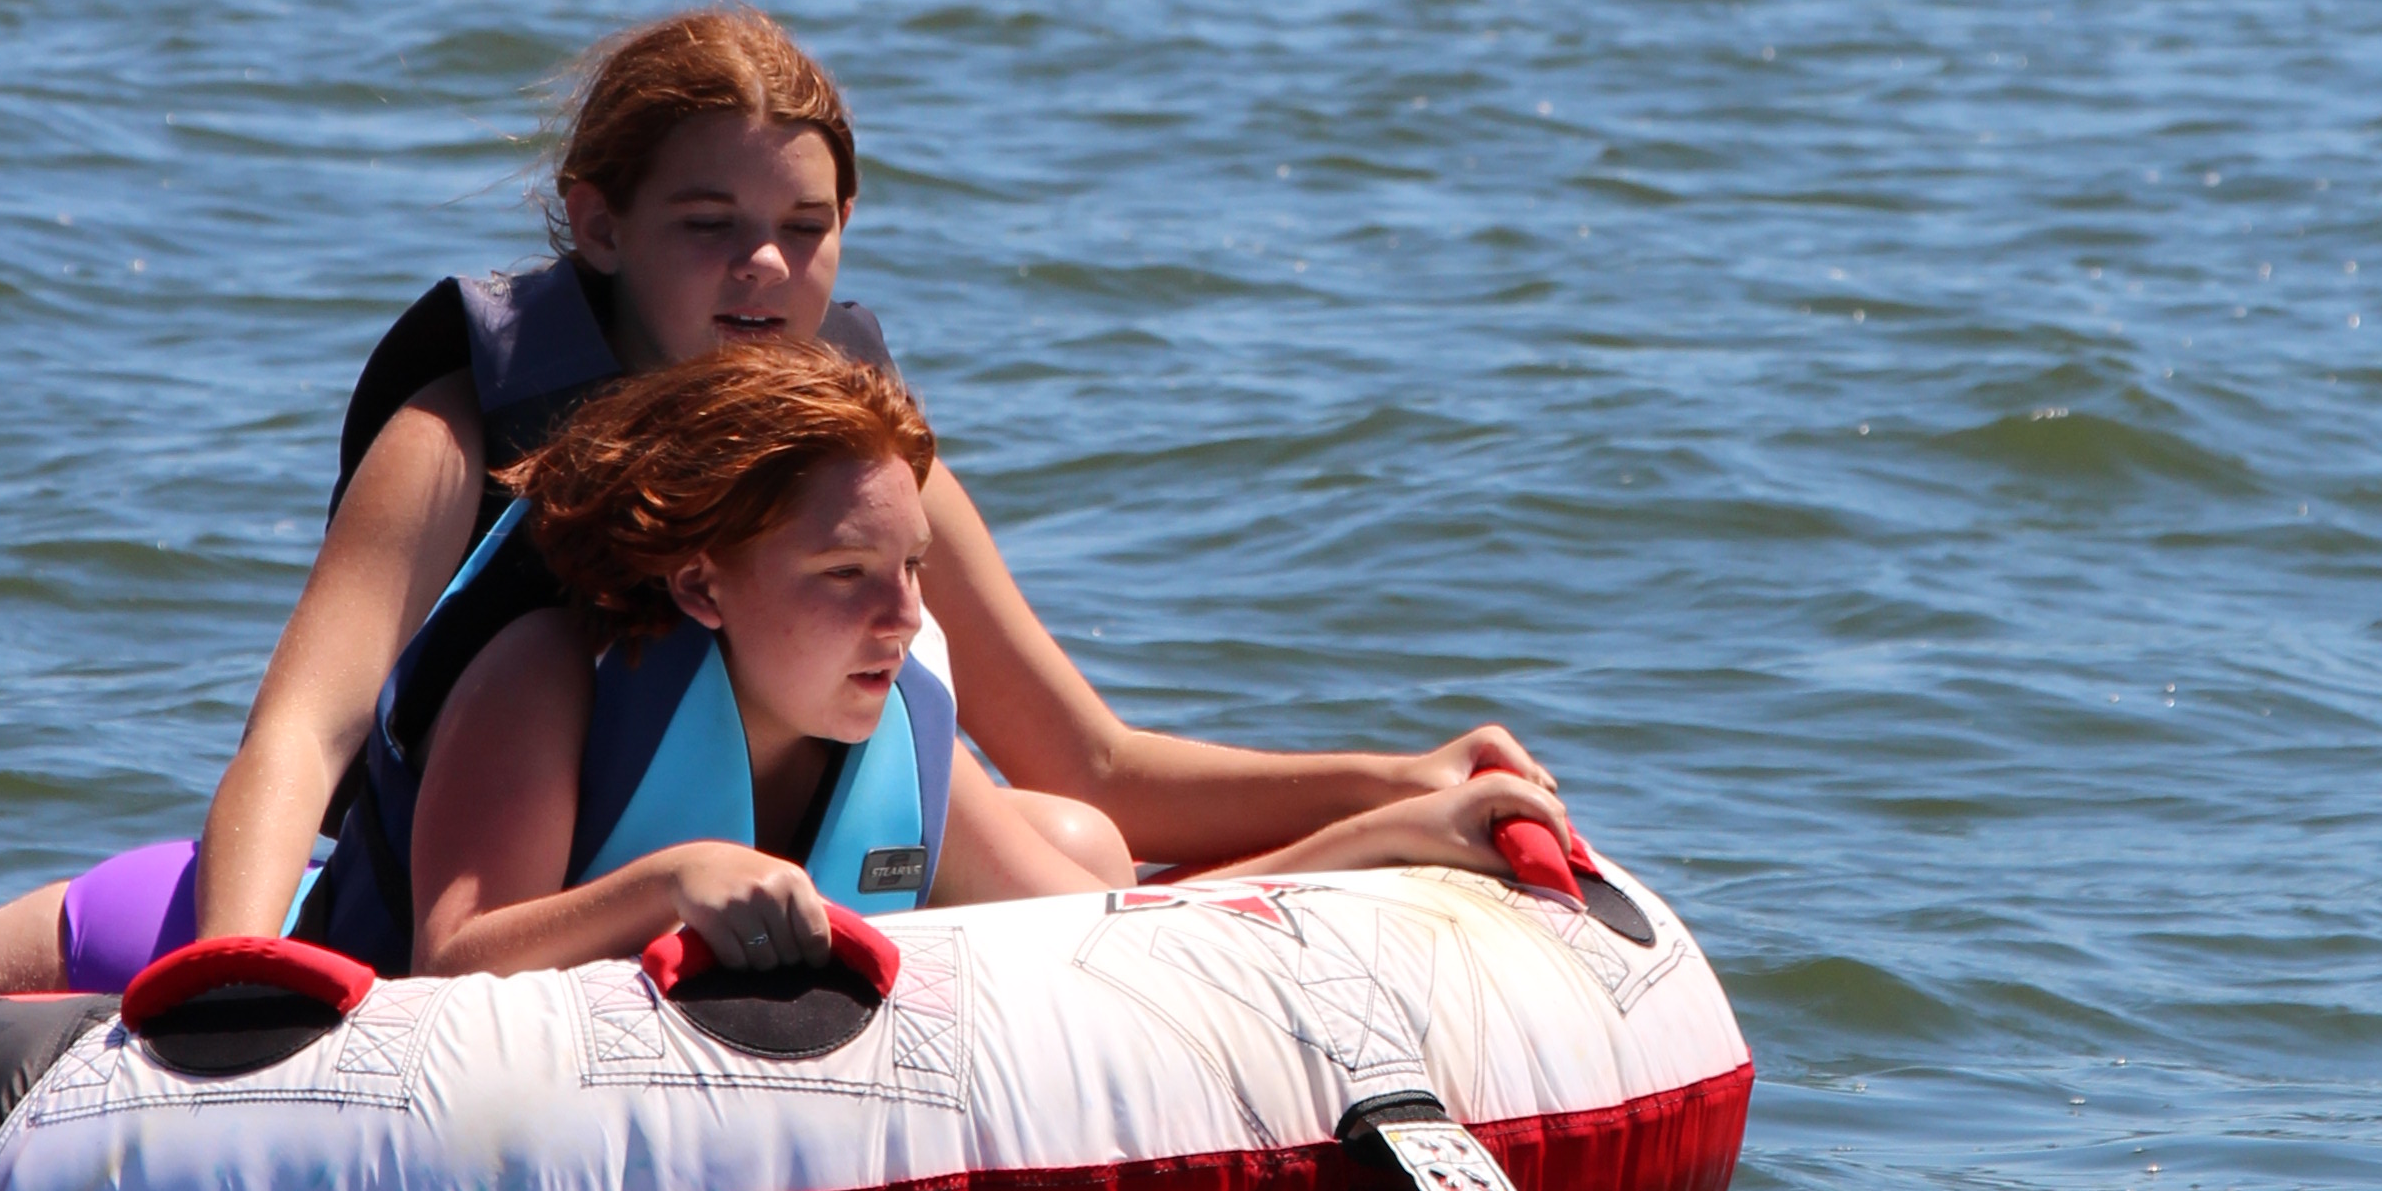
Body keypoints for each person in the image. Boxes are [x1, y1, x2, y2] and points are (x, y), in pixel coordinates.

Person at [184, 0, 1556, 958]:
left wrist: (1396, 784)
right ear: (598, 226)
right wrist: (231, 990)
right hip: (475, 877)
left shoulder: (851, 463)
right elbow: (301, 739)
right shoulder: (461, 432)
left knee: (1073, 834)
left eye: (805, 227)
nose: (765, 267)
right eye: (709, 225)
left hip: (770, 868)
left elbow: (1087, 755)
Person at [360, 341, 1553, 988]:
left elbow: (1116, 934)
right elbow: (451, 961)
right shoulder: (550, 680)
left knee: (1087, 850)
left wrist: (1390, 835)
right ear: (702, 584)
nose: (903, 617)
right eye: (844, 574)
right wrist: (672, 883)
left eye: (913, 568)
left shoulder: (896, 727)